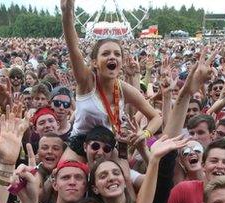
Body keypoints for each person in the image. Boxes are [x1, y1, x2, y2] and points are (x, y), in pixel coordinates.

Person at [61, 0, 162, 161]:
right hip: (80, 147)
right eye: (106, 53)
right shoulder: (87, 81)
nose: (112, 56)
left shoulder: (124, 89)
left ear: (121, 62)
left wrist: (145, 133)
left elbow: (156, 117)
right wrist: (67, 14)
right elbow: (73, 48)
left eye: (117, 54)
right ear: (94, 62)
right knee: (63, 179)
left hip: (109, 147)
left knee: (127, 182)